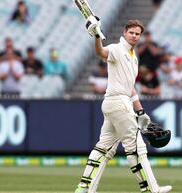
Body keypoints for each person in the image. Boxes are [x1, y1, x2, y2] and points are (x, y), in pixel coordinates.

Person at [74, 18, 172, 193]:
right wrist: (97, 35)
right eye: (131, 33)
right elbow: (101, 52)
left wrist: (140, 111)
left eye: (137, 34)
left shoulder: (134, 58)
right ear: (124, 33)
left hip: (117, 103)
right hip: (118, 102)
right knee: (136, 148)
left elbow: (131, 88)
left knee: (104, 148)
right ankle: (151, 189)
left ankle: (85, 187)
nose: (134, 36)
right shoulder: (117, 49)